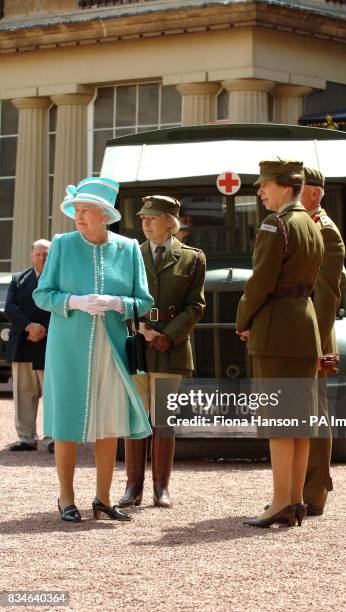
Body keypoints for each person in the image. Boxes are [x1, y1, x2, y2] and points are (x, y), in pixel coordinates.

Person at [33, 177, 153, 523]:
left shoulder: (128, 248)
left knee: (109, 421)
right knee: (68, 420)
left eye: (85, 211)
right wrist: (74, 301)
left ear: (105, 215)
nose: (78, 217)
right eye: (76, 211)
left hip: (112, 349)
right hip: (68, 348)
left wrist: (117, 302)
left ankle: (102, 498)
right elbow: (43, 294)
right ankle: (66, 498)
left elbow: (143, 301)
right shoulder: (62, 245)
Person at [236, 159, 324, 528]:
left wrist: (243, 319)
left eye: (265, 185)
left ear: (285, 187)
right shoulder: (311, 223)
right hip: (305, 325)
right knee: (300, 421)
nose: (260, 192)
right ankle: (296, 500)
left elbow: (261, 281)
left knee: (278, 421)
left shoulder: (277, 224)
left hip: (275, 328)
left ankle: (278, 502)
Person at [118, 195, 205, 509]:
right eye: (143, 218)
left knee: (164, 420)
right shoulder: (131, 255)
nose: (145, 223)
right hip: (138, 346)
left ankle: (161, 488)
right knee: (136, 418)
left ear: (170, 222)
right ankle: (132, 487)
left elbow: (195, 306)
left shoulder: (193, 258)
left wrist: (168, 335)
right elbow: (121, 297)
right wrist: (138, 326)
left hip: (171, 348)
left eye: (152, 218)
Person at [301, 166, 346, 516]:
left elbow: (328, 295)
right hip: (302, 330)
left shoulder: (325, 231)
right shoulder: (305, 226)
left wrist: (317, 345)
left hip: (315, 332)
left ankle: (314, 493)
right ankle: (298, 487)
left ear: (315, 193)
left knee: (314, 411)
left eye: (296, 187)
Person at [5, 239, 53, 453]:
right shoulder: (18, 279)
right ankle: (26, 438)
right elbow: (10, 308)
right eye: (38, 254)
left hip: (50, 343)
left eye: (46, 254)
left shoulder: (59, 279)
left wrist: (42, 328)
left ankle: (53, 438)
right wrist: (29, 327)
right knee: (24, 393)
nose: (41, 258)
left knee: (53, 394)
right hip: (24, 343)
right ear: (31, 255)